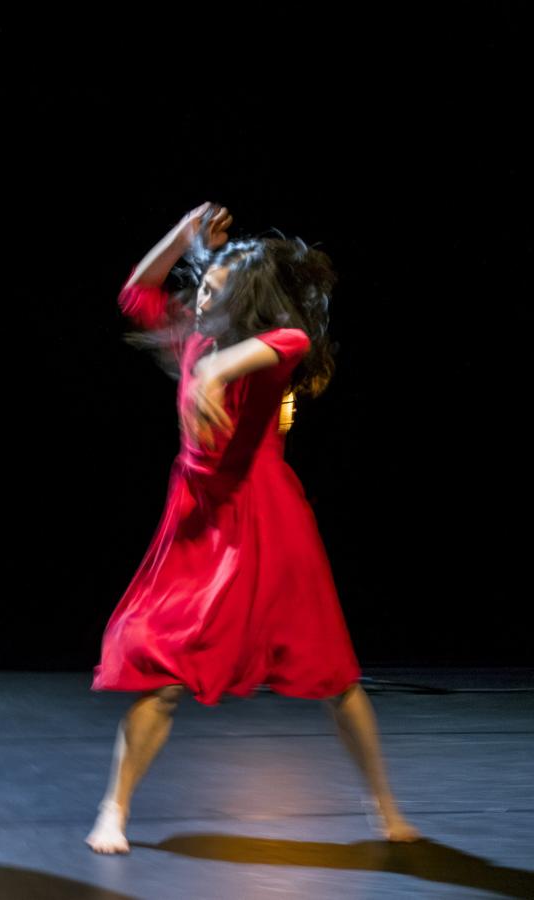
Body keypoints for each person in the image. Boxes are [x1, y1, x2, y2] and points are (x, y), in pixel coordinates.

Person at [85, 202, 422, 853]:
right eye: (202, 284)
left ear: (242, 304)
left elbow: (293, 339)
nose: (200, 294)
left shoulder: (269, 356)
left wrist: (218, 369)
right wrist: (182, 237)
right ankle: (113, 809)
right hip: (198, 526)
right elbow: (136, 291)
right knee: (164, 672)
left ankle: (384, 807)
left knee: (336, 676)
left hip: (269, 523)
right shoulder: (189, 335)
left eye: (215, 289)